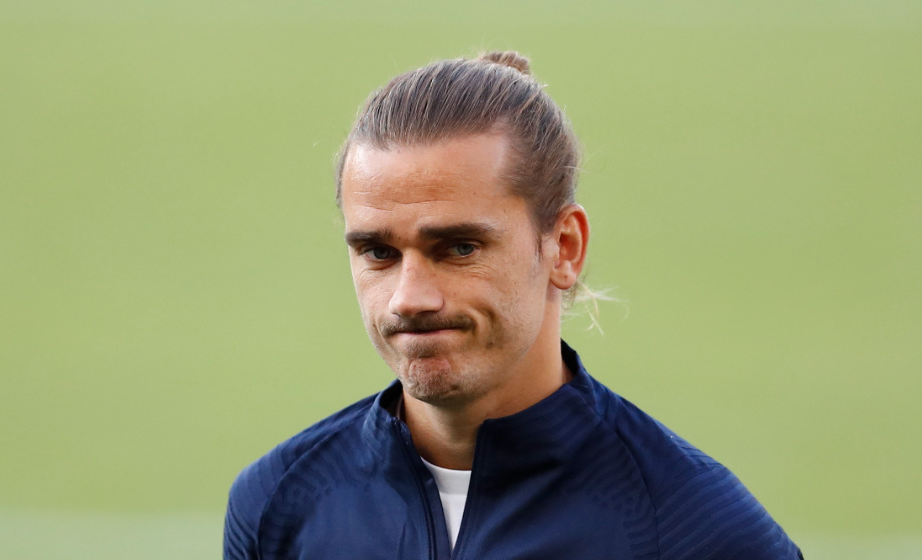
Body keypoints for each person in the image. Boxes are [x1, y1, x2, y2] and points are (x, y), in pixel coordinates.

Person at [224, 51, 803, 560]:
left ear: (563, 248)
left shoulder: (698, 532)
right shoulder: (278, 505)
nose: (409, 299)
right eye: (379, 252)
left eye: (459, 248)